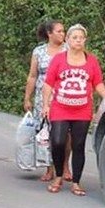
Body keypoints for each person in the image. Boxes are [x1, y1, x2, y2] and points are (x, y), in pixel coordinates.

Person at [42, 24, 105, 195]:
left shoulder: (92, 60)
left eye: (81, 38)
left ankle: (76, 182)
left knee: (78, 145)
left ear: (85, 40)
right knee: (57, 141)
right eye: (74, 37)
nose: (78, 41)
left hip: (82, 110)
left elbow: (98, 83)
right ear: (67, 40)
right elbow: (48, 83)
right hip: (60, 107)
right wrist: (46, 105)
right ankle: (58, 175)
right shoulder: (58, 59)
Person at [24, 20, 72, 181]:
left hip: (64, 95)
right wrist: (27, 98)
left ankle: (65, 166)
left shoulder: (68, 50)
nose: (62, 34)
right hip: (42, 97)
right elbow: (33, 76)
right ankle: (49, 168)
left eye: (63, 31)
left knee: (66, 133)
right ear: (49, 34)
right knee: (47, 133)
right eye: (59, 31)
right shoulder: (39, 52)